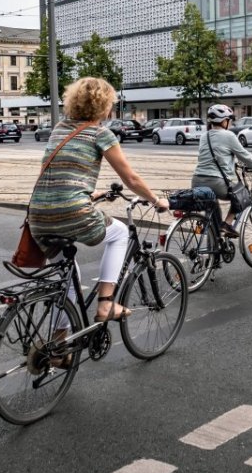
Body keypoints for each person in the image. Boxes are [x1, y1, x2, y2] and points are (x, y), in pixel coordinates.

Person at [28, 77, 169, 324]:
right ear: (104, 106)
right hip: (71, 212)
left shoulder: (59, 129)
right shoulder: (100, 133)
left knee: (68, 281)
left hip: (38, 216)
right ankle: (106, 304)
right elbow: (131, 179)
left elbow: (62, 174)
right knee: (120, 233)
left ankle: (59, 346)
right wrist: (157, 200)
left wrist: (90, 194)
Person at [192, 104, 252, 237]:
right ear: (224, 121)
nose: (230, 123)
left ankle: (215, 245)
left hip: (197, 181)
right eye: (229, 120)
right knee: (244, 195)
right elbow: (244, 156)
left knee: (213, 213)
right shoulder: (228, 135)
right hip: (216, 183)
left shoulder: (204, 136)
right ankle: (227, 225)